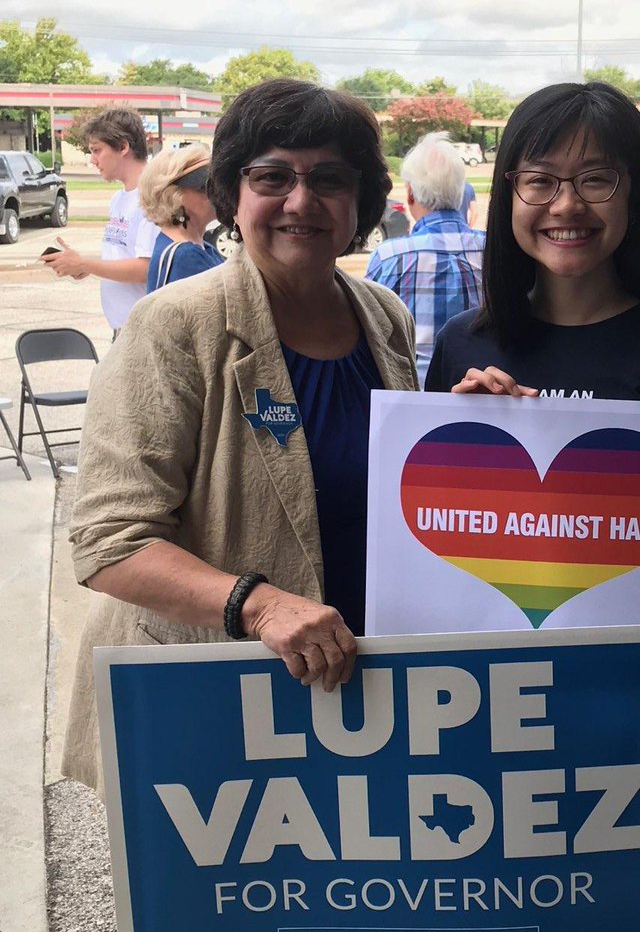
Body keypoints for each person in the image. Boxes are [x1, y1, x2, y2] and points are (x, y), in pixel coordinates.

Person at [62, 79, 419, 794]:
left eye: (329, 178)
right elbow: (110, 540)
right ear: (232, 194)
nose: (301, 200)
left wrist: (476, 430)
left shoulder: (385, 317)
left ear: (361, 201)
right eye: (272, 176)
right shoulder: (174, 327)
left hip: (360, 696)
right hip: (213, 707)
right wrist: (258, 603)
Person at [425, 81, 640, 850]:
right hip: (482, 719)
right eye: (541, 180)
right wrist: (466, 437)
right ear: (509, 194)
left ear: (634, 193)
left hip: (631, 722)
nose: (566, 204)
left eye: (596, 178)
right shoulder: (465, 348)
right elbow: (431, 547)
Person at [366, 131, 485, 387]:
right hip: (485, 398)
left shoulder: (390, 257)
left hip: (410, 398)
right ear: (461, 192)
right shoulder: (494, 250)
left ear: (410, 194)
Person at [41, 108, 156, 334]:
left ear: (123, 147)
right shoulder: (119, 198)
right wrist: (82, 266)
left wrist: (86, 264)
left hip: (144, 331)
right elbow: (122, 257)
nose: (92, 160)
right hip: (122, 330)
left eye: (97, 150)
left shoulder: (152, 197)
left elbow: (146, 268)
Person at [138, 144, 222, 293]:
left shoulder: (198, 247)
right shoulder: (186, 256)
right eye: (204, 188)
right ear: (173, 196)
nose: (214, 194)